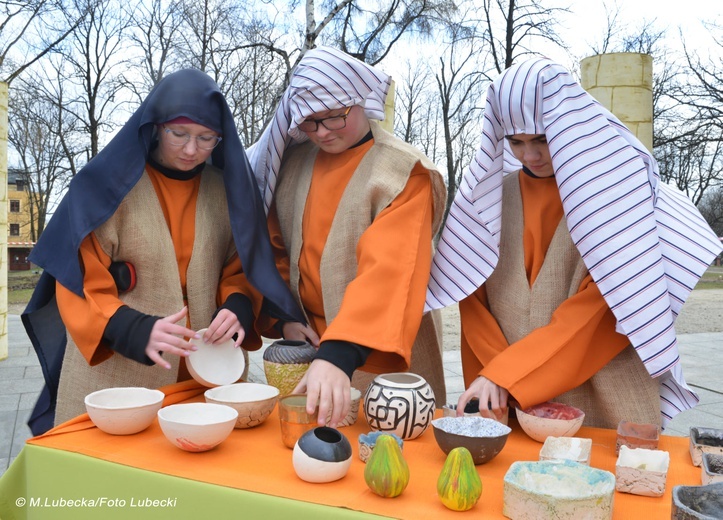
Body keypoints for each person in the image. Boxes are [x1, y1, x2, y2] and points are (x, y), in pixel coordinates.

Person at [426, 58, 723, 429]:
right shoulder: (488, 199)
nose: (529, 156)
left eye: (542, 139)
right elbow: (473, 298)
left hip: (598, 394)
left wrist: (511, 372)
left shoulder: (615, 194)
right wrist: (498, 373)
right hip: (503, 397)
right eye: (515, 142)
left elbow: (604, 308)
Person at [22, 69, 305, 433]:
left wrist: (237, 307)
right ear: (156, 127)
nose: (192, 150)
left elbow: (241, 264)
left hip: (207, 373)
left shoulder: (226, 192)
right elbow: (78, 278)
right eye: (179, 134)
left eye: (207, 139)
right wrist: (131, 327)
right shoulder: (105, 189)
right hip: (117, 375)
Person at [246, 46, 447, 428]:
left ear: (361, 100)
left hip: (378, 352)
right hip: (310, 352)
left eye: (334, 117)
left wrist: (339, 352)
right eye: (309, 122)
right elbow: (274, 250)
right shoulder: (292, 164)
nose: (321, 132)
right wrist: (286, 316)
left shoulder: (403, 171)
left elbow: (390, 270)